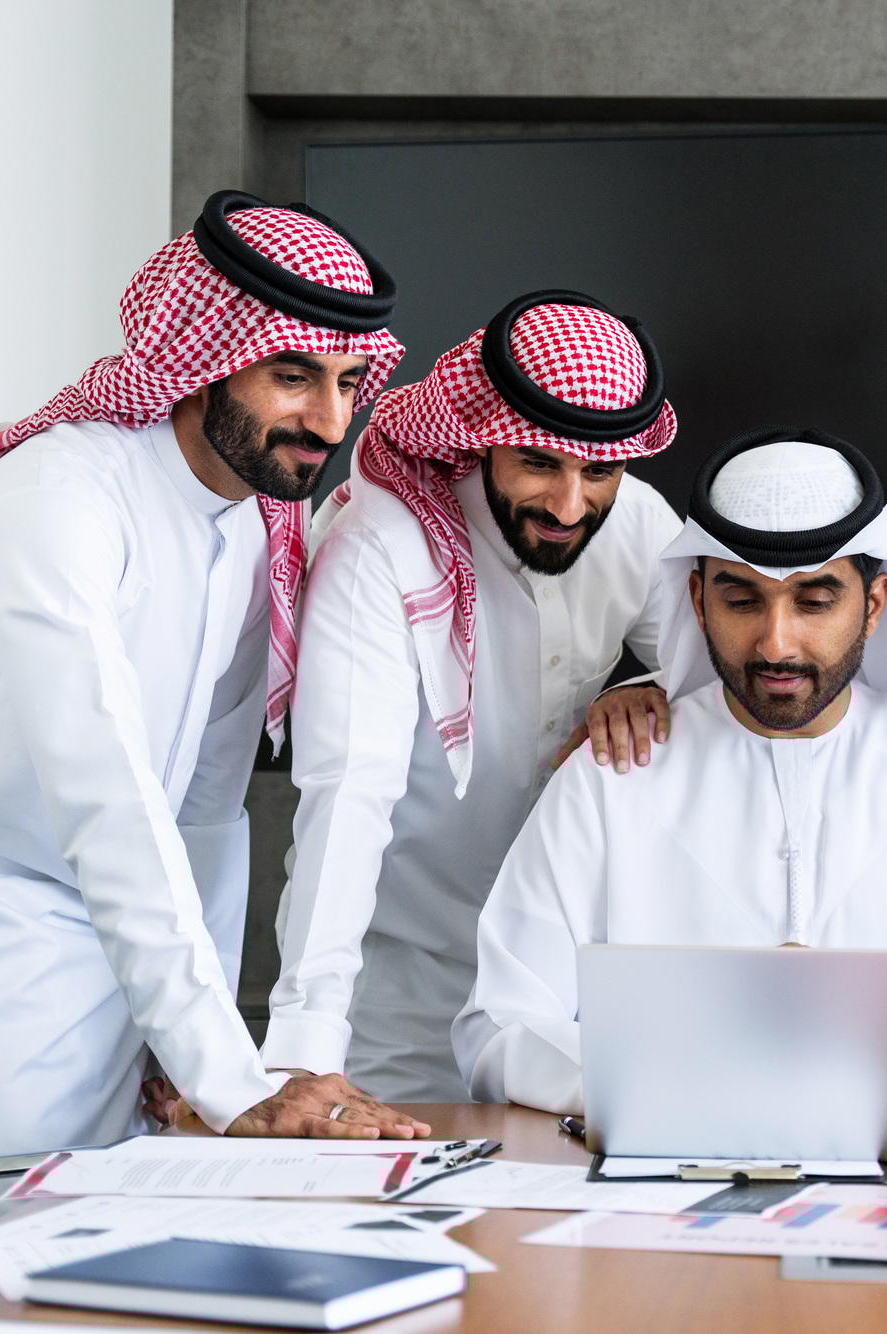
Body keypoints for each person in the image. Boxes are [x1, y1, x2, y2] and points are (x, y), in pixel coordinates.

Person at [0, 192, 427, 1251]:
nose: (331, 424)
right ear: (207, 357)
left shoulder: (254, 523)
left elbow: (206, 799)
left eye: (347, 383)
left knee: (130, 1249)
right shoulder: (54, 502)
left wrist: (193, 1037)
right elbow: (104, 791)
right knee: (7, 1249)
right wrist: (226, 1069)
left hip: (132, 926)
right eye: (293, 375)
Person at [454, 430, 887, 1112]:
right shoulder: (614, 771)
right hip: (655, 1189)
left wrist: (859, 1043)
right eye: (741, 600)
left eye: (815, 601)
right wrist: (679, 1080)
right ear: (698, 599)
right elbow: (500, 1025)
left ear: (874, 605)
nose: (776, 641)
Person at [260, 291, 683, 1100]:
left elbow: (723, 676)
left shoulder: (631, 523)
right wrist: (306, 1051)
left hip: (576, 996)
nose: (569, 504)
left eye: (599, 470)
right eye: (540, 463)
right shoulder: (378, 550)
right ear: (484, 439)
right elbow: (348, 796)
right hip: (400, 997)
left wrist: (652, 687)